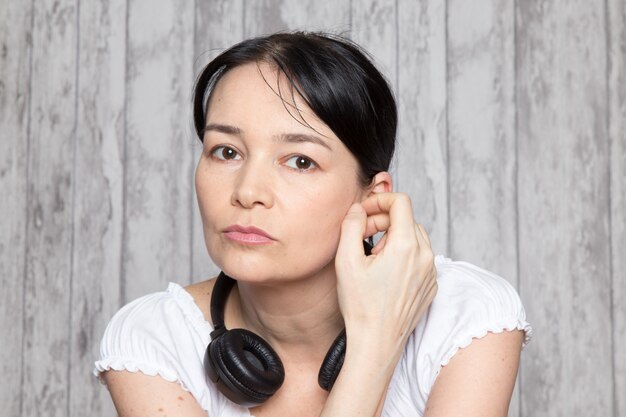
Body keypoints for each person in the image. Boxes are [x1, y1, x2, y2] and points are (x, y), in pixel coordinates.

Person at [94, 31, 531, 417]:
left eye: (300, 161)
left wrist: (379, 334)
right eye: (226, 152)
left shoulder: (465, 315)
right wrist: (373, 354)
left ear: (372, 197)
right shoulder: (152, 342)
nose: (248, 192)